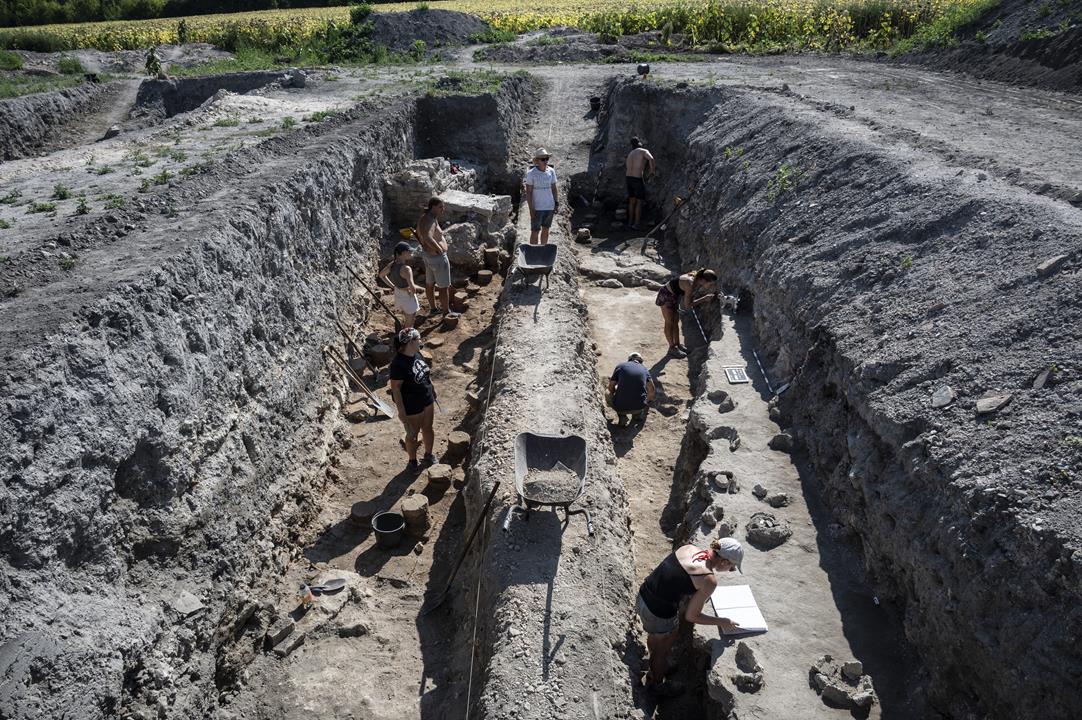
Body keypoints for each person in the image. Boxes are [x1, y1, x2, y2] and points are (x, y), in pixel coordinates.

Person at [637, 538, 744, 696]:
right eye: (732, 567)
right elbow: (691, 616)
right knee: (662, 650)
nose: (731, 570)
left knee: (656, 637)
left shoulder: (689, 548)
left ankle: (656, 664)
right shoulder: (709, 580)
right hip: (658, 612)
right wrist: (723, 621)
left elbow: (677, 577)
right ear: (724, 561)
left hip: (643, 597)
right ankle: (656, 685)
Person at [389, 327, 436, 471]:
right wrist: (401, 411)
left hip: (426, 399)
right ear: (409, 342)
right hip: (411, 405)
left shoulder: (417, 354)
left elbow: (425, 374)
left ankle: (428, 455)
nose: (420, 341)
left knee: (428, 428)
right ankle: (412, 461)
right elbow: (395, 389)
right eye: (418, 339)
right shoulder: (398, 364)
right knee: (412, 435)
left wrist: (432, 389)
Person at [655, 268, 720, 358]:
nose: (711, 286)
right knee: (669, 322)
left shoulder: (696, 280)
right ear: (703, 280)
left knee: (675, 321)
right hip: (666, 295)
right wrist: (704, 299)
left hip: (674, 296)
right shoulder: (690, 284)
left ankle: (677, 345)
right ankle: (672, 348)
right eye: (710, 284)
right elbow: (687, 306)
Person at [416, 198, 460, 320]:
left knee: (429, 284)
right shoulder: (430, 220)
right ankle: (446, 313)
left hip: (428, 256)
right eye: (440, 206)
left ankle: (433, 309)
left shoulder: (424, 218)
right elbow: (427, 237)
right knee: (443, 286)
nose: (443, 209)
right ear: (433, 207)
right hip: (437, 258)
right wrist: (439, 249)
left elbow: (419, 235)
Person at [378, 241, 421, 328]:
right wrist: (412, 294)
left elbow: (381, 275)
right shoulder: (406, 269)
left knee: (406, 315)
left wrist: (393, 286)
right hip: (407, 295)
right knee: (410, 320)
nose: (411, 252)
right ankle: (406, 338)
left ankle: (404, 333)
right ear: (402, 253)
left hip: (398, 293)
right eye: (409, 251)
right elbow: (413, 288)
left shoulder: (392, 265)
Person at [607, 352, 656, 427]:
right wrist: (646, 402)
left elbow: (611, 387)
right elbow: (652, 390)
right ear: (641, 361)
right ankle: (637, 415)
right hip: (639, 407)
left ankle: (622, 416)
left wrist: (615, 394)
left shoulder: (621, 366)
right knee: (644, 391)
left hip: (621, 407)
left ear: (629, 359)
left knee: (607, 393)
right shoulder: (644, 369)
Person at [525, 148, 558, 245]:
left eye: (546, 159)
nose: (545, 161)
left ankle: (543, 250)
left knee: (546, 229)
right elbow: (528, 192)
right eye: (543, 159)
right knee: (535, 231)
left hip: (549, 207)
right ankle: (534, 252)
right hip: (537, 208)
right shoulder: (531, 174)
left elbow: (554, 188)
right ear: (537, 161)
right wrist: (531, 209)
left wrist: (556, 203)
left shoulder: (551, 171)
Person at [625, 137, 655, 231]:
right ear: (639, 143)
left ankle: (630, 222)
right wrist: (652, 171)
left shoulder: (630, 154)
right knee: (639, 201)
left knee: (632, 200)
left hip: (628, 178)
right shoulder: (643, 151)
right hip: (637, 179)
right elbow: (651, 158)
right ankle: (636, 224)